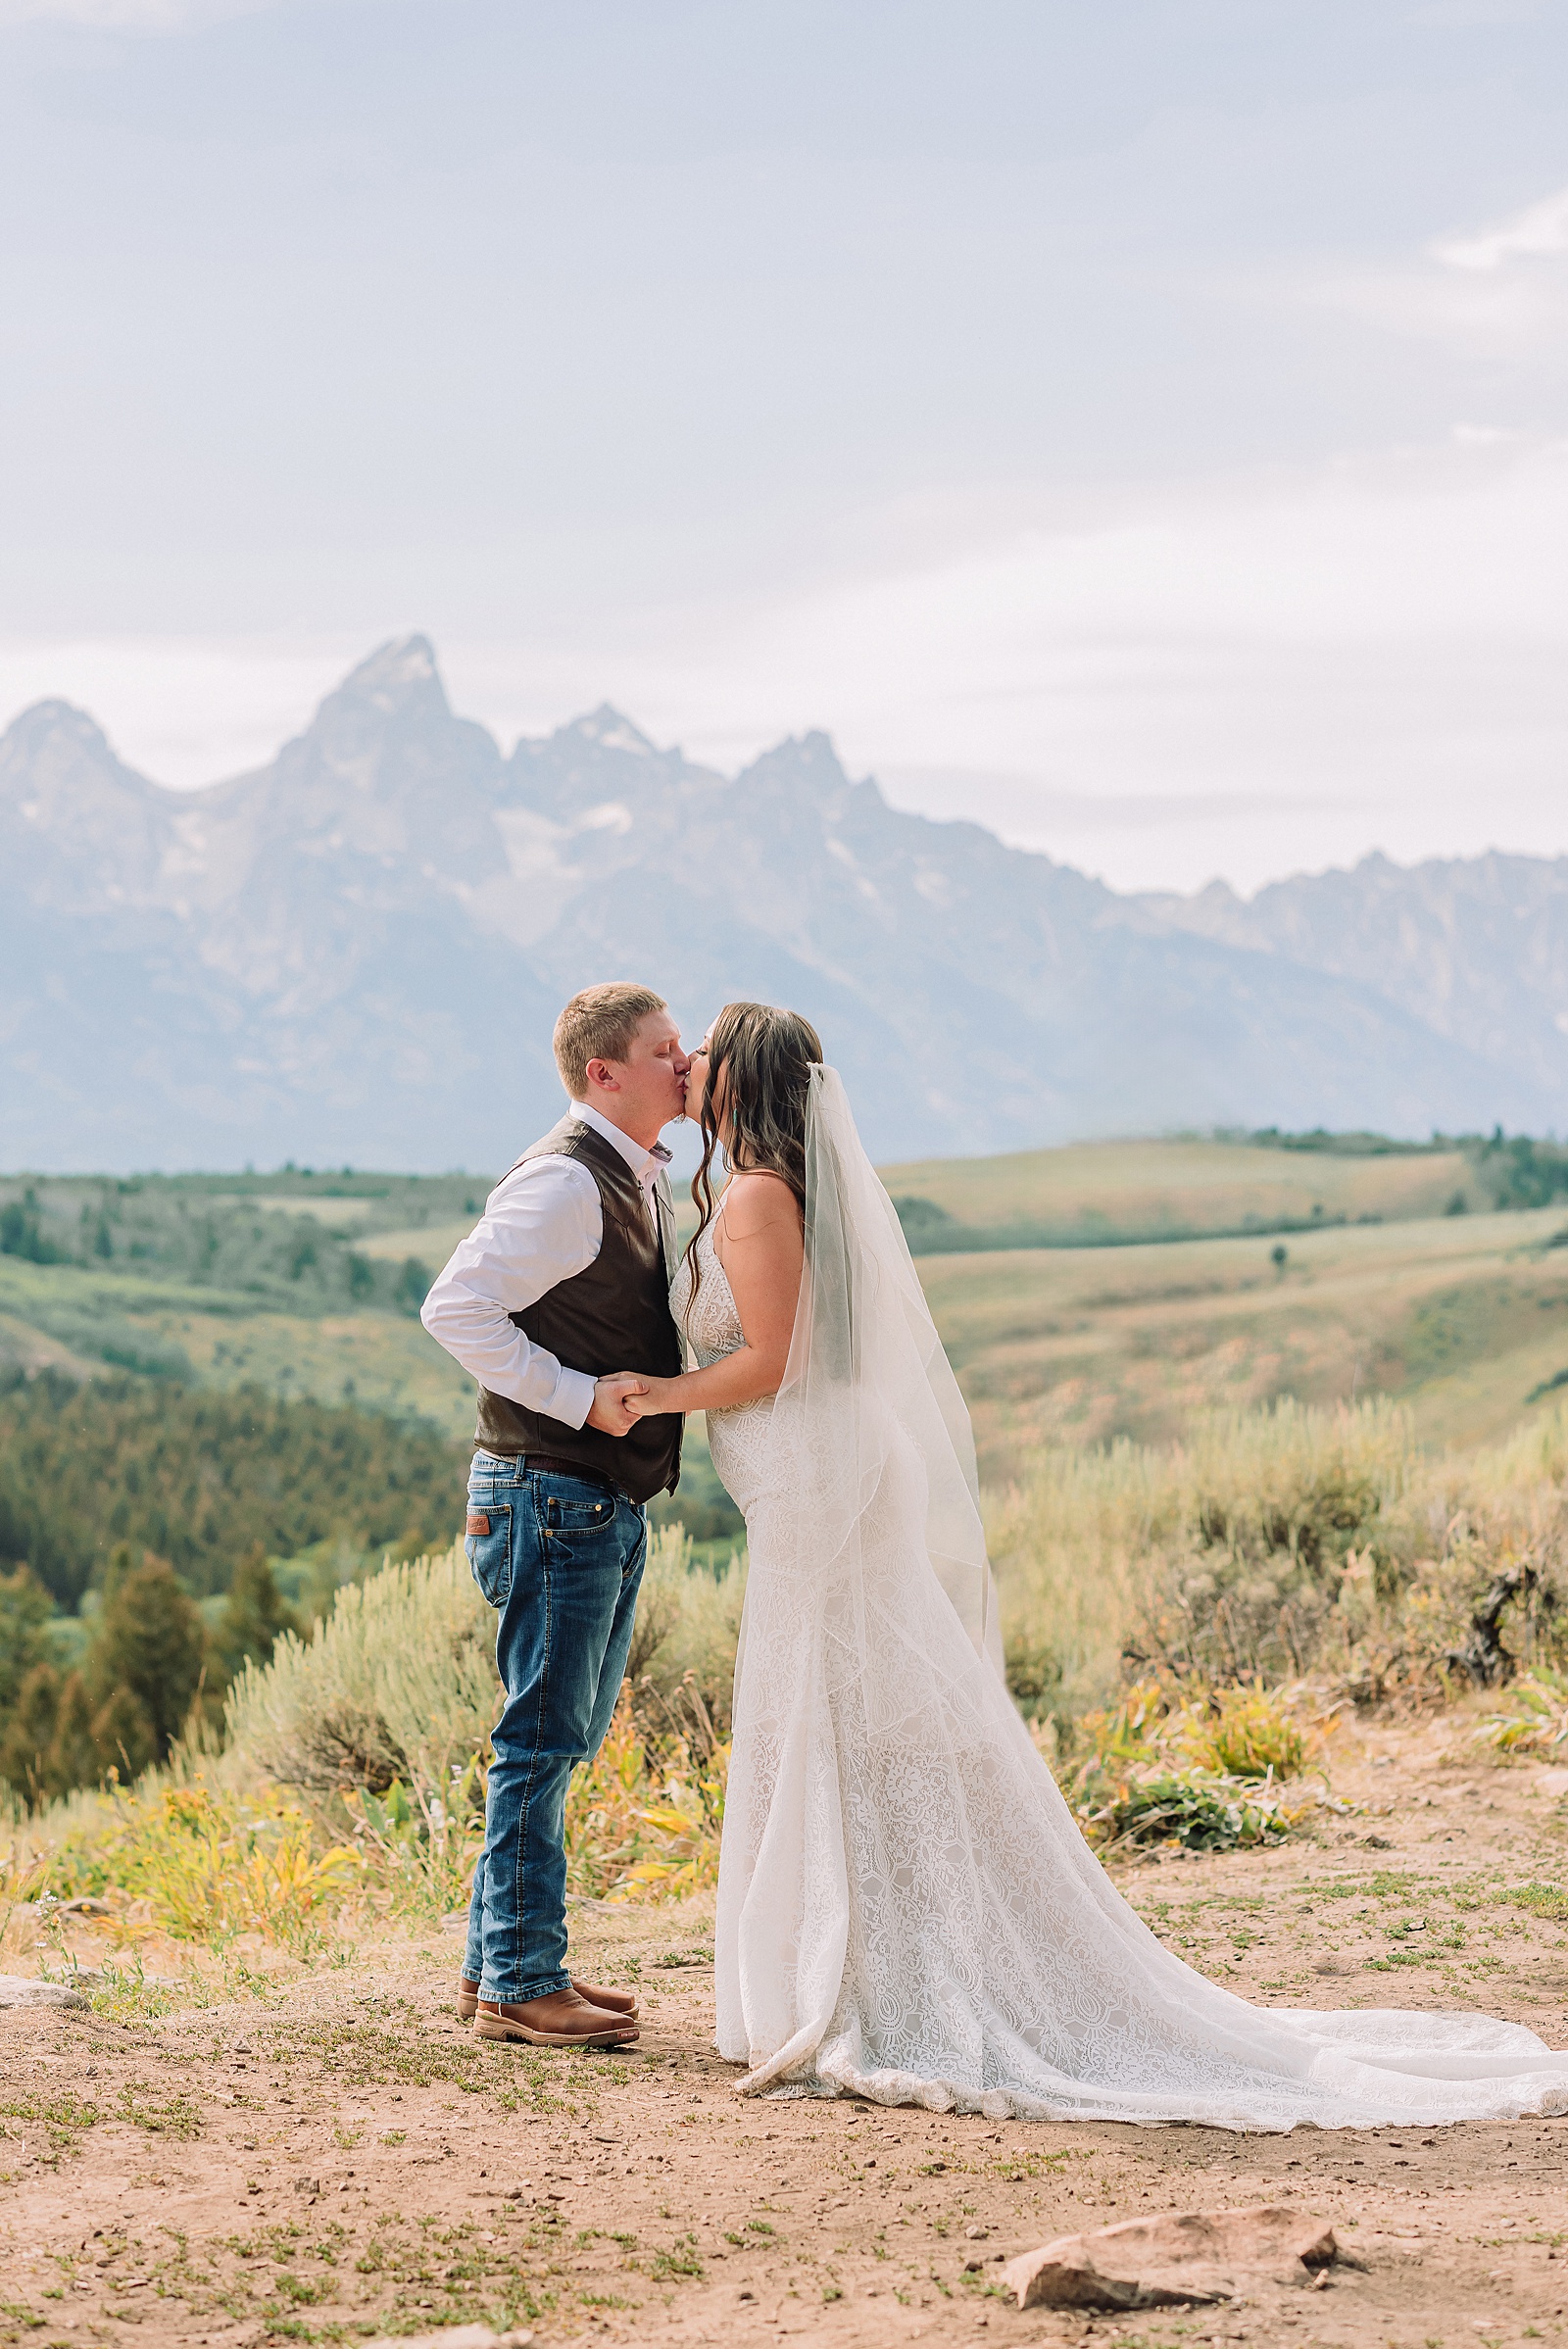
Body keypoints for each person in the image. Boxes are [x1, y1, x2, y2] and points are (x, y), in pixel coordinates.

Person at [619, 1000, 1568, 2126]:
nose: (691, 1068)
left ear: (745, 1079)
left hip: (815, 1482)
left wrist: (662, 1394)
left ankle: (880, 1970)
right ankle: (875, 1949)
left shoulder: (762, 1195)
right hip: (812, 1481)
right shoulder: (767, 1188)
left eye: (707, 1057)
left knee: (836, 1702)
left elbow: (772, 1361)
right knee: (844, 1704)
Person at [419, 981, 689, 2048]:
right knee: (538, 1739)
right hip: (550, 1492)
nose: (688, 1061)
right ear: (603, 1075)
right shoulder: (567, 1187)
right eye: (668, 1050)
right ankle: (526, 1980)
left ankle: (501, 1975)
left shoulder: (631, 1175)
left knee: (553, 1738)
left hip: (575, 1496)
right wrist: (581, 1400)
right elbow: (455, 1307)